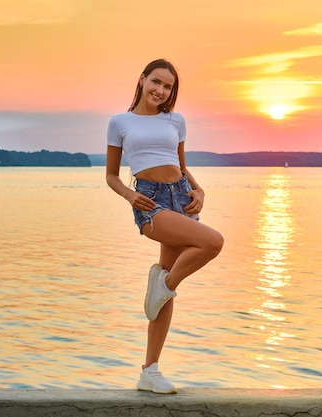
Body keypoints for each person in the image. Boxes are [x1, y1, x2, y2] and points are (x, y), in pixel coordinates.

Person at [105, 58, 224, 394]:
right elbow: (111, 175)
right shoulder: (120, 122)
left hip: (181, 197)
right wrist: (130, 195)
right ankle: (165, 282)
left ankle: (150, 370)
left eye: (168, 86)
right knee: (213, 242)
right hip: (150, 201)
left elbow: (181, 167)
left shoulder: (176, 120)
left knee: (164, 295)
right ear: (142, 80)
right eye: (155, 82)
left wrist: (198, 189)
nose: (160, 90)